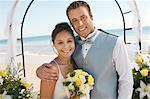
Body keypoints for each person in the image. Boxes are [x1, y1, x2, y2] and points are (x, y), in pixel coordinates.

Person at [37, 1, 133, 99]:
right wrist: (39, 71)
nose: (80, 24)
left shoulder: (116, 42)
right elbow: (60, 61)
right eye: (74, 20)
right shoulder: (72, 45)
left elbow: (126, 80)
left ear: (91, 16)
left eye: (83, 17)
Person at [40, 22, 78, 99]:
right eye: (60, 42)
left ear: (74, 41)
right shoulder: (51, 70)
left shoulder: (77, 63)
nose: (66, 47)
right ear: (54, 44)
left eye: (69, 41)